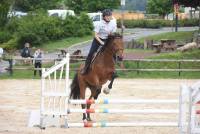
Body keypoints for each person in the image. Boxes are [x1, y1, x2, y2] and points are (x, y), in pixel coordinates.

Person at [81, 9, 117, 75]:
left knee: (114, 52)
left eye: (110, 16)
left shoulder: (113, 23)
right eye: (107, 16)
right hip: (98, 39)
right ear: (104, 17)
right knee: (91, 53)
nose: (109, 17)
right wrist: (101, 42)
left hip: (107, 40)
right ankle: (86, 68)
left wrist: (111, 35)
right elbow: (95, 35)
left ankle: (113, 69)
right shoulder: (99, 24)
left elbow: (113, 33)